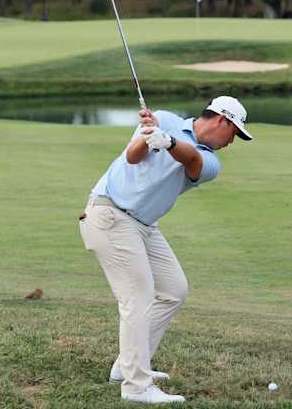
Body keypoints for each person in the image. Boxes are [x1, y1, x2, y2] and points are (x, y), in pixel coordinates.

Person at [79, 96, 253, 404]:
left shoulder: (210, 160)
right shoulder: (162, 118)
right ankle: (136, 387)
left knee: (174, 289)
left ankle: (127, 367)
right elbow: (132, 157)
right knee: (138, 297)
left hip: (143, 225)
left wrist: (168, 140)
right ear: (221, 121)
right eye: (234, 133)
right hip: (110, 214)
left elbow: (191, 160)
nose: (231, 142)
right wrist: (147, 137)